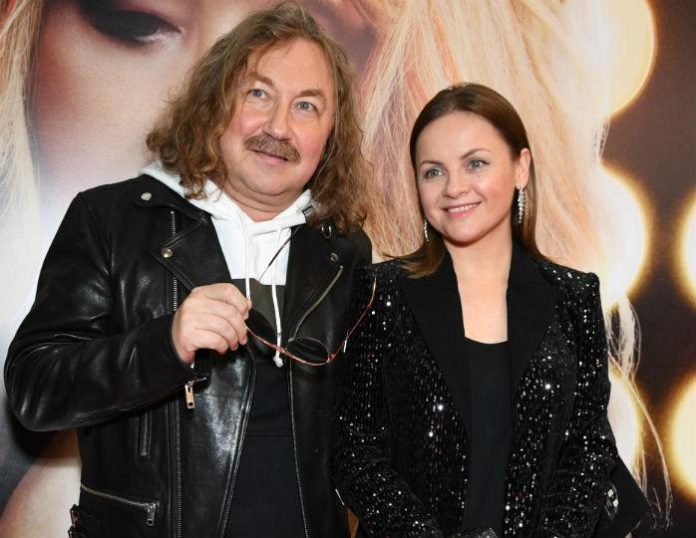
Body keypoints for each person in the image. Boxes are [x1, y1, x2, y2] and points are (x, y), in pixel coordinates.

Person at [5, 3, 370, 537]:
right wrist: (164, 345)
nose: (278, 126)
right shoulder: (112, 221)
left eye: (307, 106)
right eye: (258, 93)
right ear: (216, 102)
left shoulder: (344, 253)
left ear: (331, 133)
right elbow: (34, 390)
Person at [332, 84, 642, 537]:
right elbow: (352, 447)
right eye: (433, 171)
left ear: (520, 167)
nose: (454, 187)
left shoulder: (574, 298)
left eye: (475, 163)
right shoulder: (383, 293)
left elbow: (588, 446)